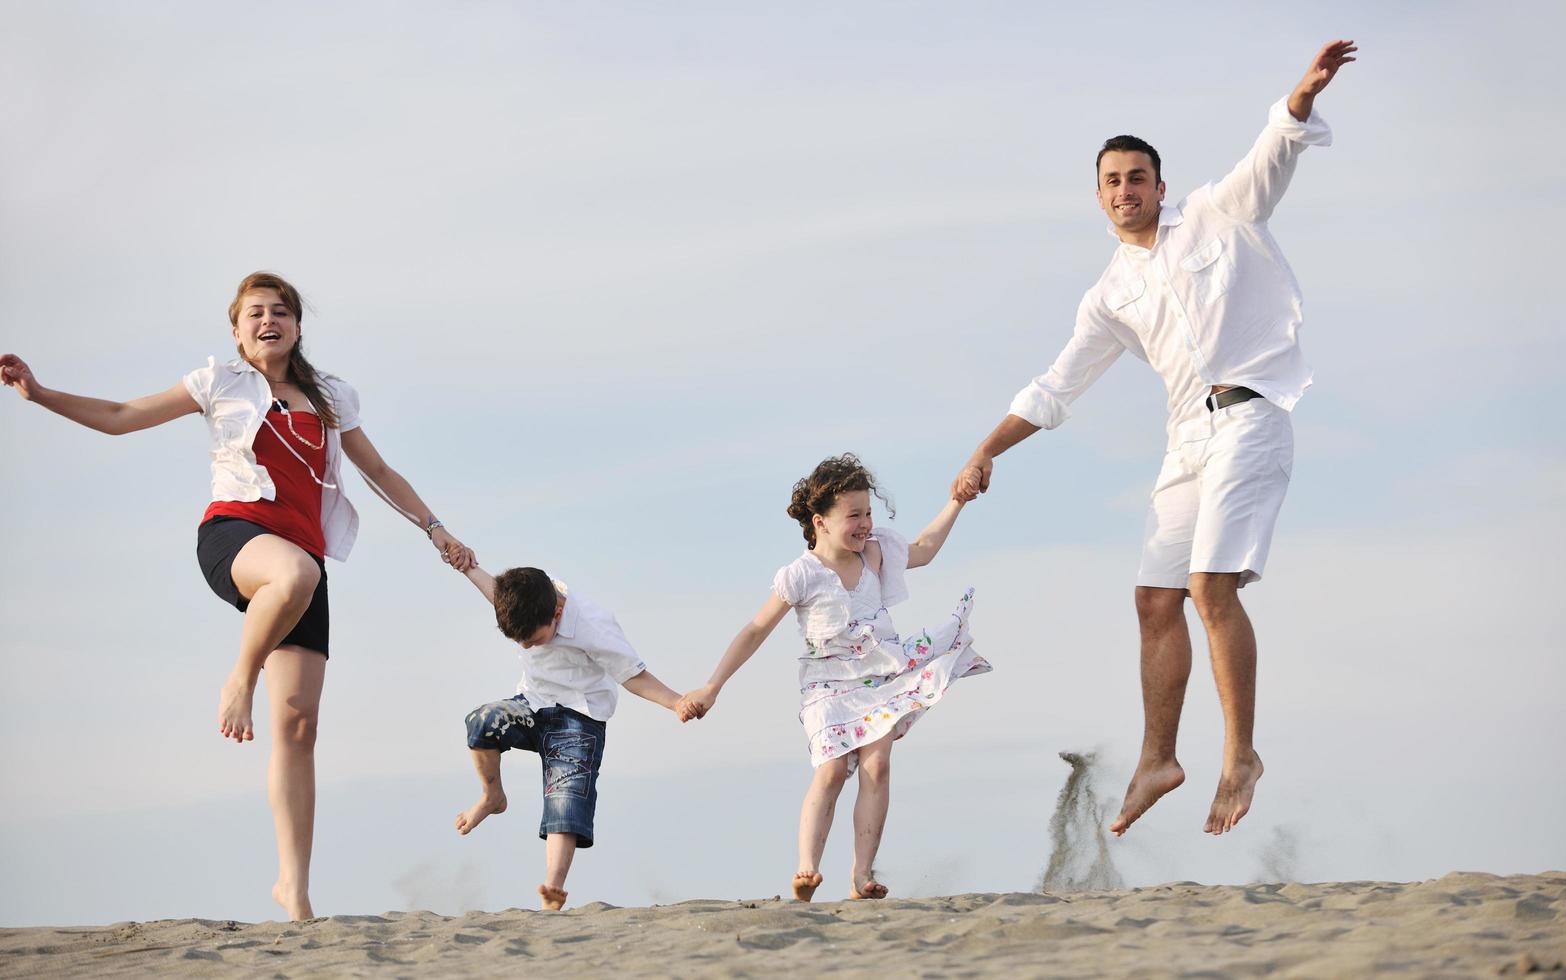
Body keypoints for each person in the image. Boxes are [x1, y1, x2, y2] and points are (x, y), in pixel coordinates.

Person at [953, 41, 1357, 838]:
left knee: (1212, 588)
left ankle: (1240, 754)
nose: (1125, 190)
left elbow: (1271, 156)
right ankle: (1159, 758)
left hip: (1251, 414)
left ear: (1160, 186)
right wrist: (986, 450)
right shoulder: (1109, 293)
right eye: (1111, 181)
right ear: (1098, 197)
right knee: (1152, 599)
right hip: (1187, 442)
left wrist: (1301, 98)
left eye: (1137, 177)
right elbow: (1054, 387)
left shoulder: (1216, 211)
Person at [0, 271, 475, 920]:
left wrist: (435, 528)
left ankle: (294, 892)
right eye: (254, 313)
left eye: (280, 311)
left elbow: (382, 472)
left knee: (299, 727)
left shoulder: (330, 397)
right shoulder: (218, 382)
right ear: (236, 329)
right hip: (237, 537)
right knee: (294, 579)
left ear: (298, 327)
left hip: (302, 551)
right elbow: (119, 417)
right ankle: (239, 677)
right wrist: (39, 393)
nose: (268, 320)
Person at [681, 454, 990, 902]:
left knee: (877, 765)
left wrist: (955, 503)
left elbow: (924, 548)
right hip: (827, 685)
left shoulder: (875, 552)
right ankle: (807, 867)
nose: (865, 523)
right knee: (829, 773)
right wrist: (713, 686)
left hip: (881, 676)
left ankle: (862, 875)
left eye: (868, 512)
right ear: (820, 521)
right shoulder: (800, 575)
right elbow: (754, 631)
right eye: (853, 516)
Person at [453, 563, 693, 911]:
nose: (525, 646)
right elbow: (490, 587)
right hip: (533, 705)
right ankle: (493, 797)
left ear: (558, 612)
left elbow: (632, 675)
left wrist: (676, 702)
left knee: (564, 797)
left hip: (579, 718)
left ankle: (553, 885)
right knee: (481, 723)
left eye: (533, 639)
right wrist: (465, 564)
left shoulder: (594, 626)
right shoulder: (522, 601)